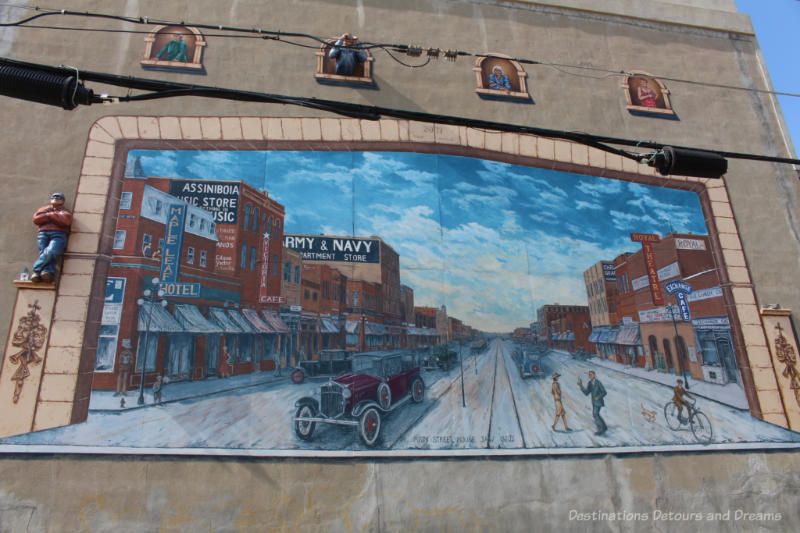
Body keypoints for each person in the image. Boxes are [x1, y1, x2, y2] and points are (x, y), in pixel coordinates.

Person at [31, 192, 73, 283]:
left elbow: (65, 221)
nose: (56, 198)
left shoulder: (65, 211)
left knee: (52, 251)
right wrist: (56, 217)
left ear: (62, 201)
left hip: (58, 234)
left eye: (59, 197)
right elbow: (36, 219)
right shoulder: (43, 209)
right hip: (43, 233)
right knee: (44, 252)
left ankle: (36, 269)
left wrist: (49, 215)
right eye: (54, 197)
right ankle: (47, 272)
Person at [578, 370, 607, 435]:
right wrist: (581, 386)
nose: (590, 376)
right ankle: (604, 427)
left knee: (595, 414)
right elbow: (586, 393)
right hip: (593, 402)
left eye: (591, 374)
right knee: (596, 414)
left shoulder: (598, 383)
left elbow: (604, 392)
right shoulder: (590, 383)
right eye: (589, 375)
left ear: (594, 375)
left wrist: (598, 397)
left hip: (599, 401)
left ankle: (601, 429)